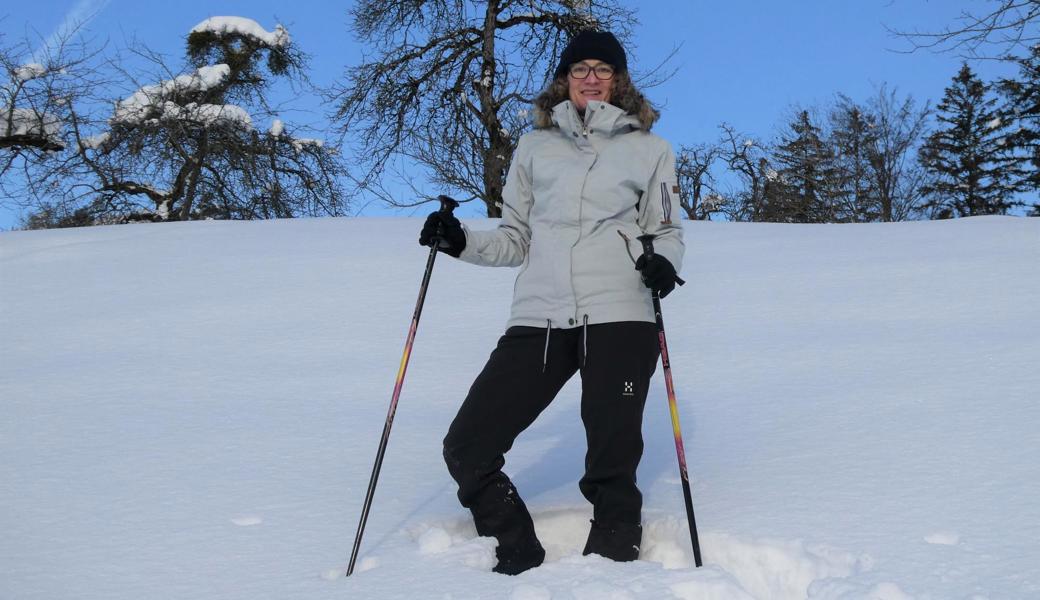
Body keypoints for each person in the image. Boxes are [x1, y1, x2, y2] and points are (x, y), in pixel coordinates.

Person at [419, 30, 684, 575]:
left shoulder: (650, 149)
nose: (591, 78)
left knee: (612, 459)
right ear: (564, 79)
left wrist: (665, 263)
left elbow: (666, 229)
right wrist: (460, 240)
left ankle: (611, 569)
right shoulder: (535, 147)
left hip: (620, 314)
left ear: (619, 80)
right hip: (540, 315)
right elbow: (514, 237)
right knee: (468, 444)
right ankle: (515, 550)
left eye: (602, 69)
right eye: (580, 68)